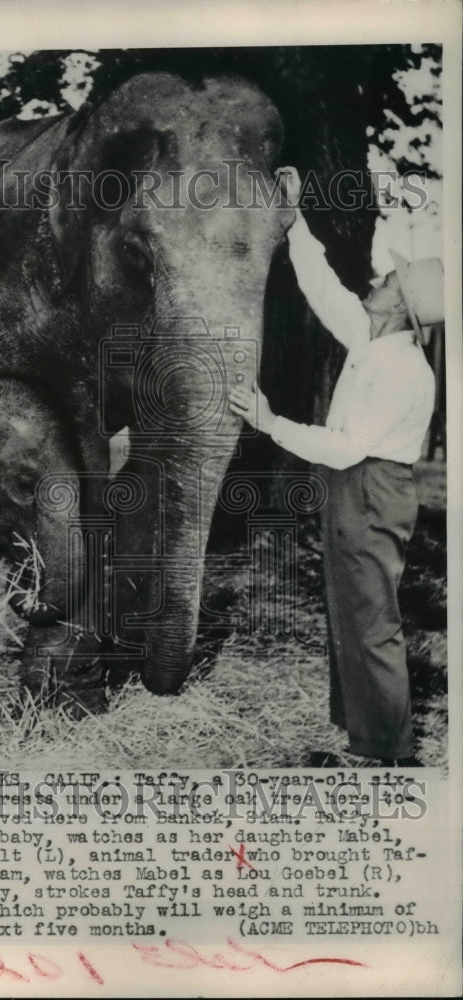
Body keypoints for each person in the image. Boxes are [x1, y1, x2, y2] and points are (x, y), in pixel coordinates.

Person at [228, 166, 444, 768]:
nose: (378, 280)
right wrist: (294, 219)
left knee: (373, 620)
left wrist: (270, 423)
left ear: (400, 306)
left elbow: (348, 446)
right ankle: (360, 732)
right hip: (358, 487)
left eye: (389, 280)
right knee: (350, 608)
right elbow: (323, 290)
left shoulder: (402, 370)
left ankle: (385, 756)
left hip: (372, 485)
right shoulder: (372, 340)